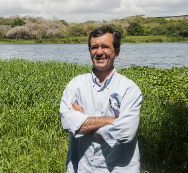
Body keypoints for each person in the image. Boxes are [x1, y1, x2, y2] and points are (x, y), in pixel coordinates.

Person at [59, 26, 142, 173]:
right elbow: (67, 122)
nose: (99, 52)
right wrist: (110, 121)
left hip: (118, 168)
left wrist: (81, 122)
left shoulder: (129, 89)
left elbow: (126, 132)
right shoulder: (76, 84)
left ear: (117, 52)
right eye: (94, 47)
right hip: (82, 167)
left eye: (105, 47)